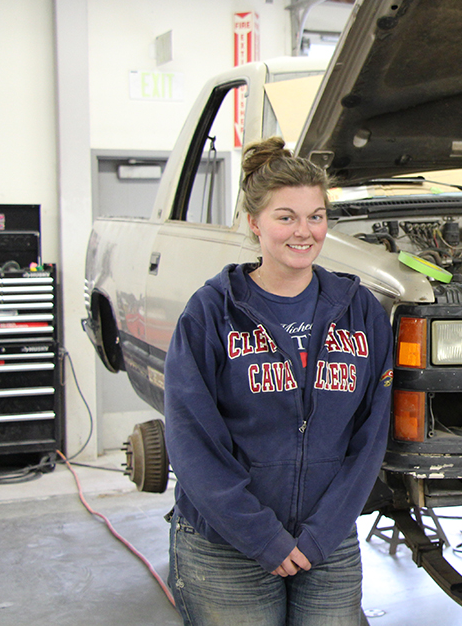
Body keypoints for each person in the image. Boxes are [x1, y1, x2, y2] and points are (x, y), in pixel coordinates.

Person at [163, 136, 393, 626]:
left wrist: (322, 532)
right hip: (225, 545)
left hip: (325, 543)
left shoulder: (360, 311)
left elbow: (371, 437)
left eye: (316, 216)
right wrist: (261, 536)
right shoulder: (212, 312)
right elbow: (192, 440)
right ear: (254, 223)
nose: (303, 232)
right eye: (285, 217)